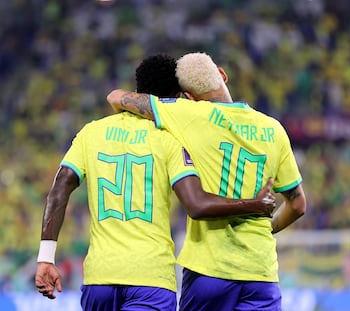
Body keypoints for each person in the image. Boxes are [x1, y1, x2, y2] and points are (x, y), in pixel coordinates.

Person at [34, 54, 277, 311]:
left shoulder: (91, 133)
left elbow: (59, 188)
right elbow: (196, 204)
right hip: (151, 279)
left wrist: (46, 258)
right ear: (177, 95)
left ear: (138, 89)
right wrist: (254, 204)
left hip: (99, 279)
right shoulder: (171, 139)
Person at [107, 52, 307, 311]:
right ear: (222, 75)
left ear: (188, 96)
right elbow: (298, 204)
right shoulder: (273, 128)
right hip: (260, 272)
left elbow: (117, 97)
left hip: (208, 271)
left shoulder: (188, 113)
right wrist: (267, 228)